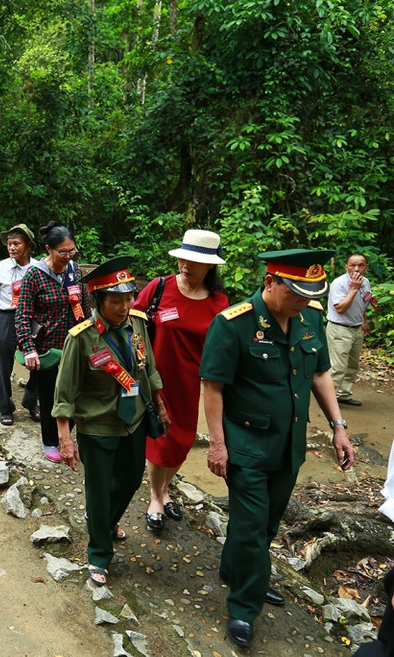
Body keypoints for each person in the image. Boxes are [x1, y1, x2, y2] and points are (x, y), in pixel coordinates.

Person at [200, 249, 355, 649]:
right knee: (252, 526)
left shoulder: (310, 317)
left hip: (289, 446)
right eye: (295, 293)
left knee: (267, 524)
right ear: (270, 282)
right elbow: (213, 386)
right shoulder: (232, 324)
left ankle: (237, 570)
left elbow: (319, 371)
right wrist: (217, 444)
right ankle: (243, 607)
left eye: (309, 294)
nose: (302, 302)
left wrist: (339, 427)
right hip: (246, 444)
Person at [52, 256, 169, 586]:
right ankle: (99, 553)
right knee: (100, 490)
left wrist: (159, 405)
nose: (124, 306)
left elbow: (149, 370)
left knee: (131, 480)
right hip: (98, 427)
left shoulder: (138, 324)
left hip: (133, 421)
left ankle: (102, 520)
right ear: (98, 301)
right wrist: (65, 437)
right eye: (116, 300)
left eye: (129, 298)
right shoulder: (81, 338)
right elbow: (64, 393)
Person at [133, 230, 229, 531]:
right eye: (183, 258)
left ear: (210, 266)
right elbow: (134, 323)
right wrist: (140, 364)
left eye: (195, 261)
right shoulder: (159, 287)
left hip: (192, 382)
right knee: (159, 437)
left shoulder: (218, 301)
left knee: (183, 439)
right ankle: (155, 496)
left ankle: (164, 487)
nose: (186, 264)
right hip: (156, 379)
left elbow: (222, 346)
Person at [15, 221, 90, 462]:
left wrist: (91, 337)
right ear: (49, 249)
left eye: (72, 251)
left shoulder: (74, 271)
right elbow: (23, 314)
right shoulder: (34, 275)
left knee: (76, 393)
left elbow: (85, 307)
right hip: (47, 348)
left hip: (74, 344)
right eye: (62, 252)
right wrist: (29, 349)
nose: (68, 256)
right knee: (50, 397)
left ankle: (67, 434)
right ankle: (50, 440)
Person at [0, 223, 40, 426]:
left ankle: (31, 401)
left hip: (31, 320)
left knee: (38, 363)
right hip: (4, 318)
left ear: (28, 245)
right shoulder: (0, 268)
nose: (12, 248)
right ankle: (6, 408)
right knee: (3, 367)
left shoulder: (38, 268)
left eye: (17, 244)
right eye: (9, 244)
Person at [327, 253, 372, 406]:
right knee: (338, 367)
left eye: (361, 265)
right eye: (352, 265)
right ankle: (328, 400)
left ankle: (343, 395)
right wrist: (353, 289)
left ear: (366, 267)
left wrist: (364, 322)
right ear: (346, 267)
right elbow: (340, 308)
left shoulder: (366, 282)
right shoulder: (339, 283)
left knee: (352, 365)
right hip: (340, 329)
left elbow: (363, 303)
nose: (356, 269)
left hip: (356, 328)